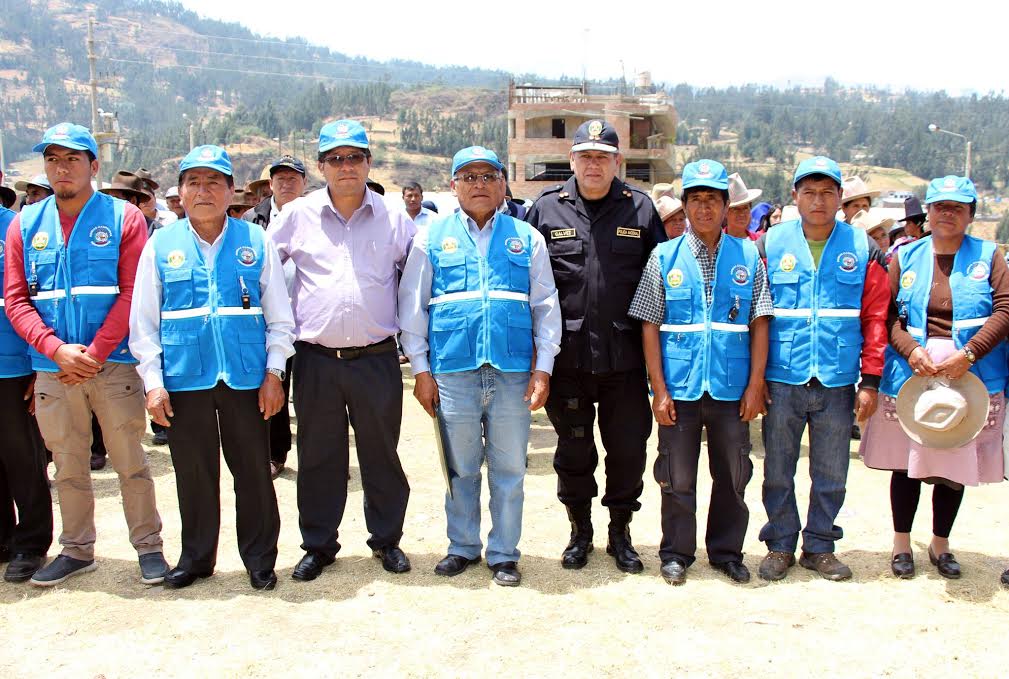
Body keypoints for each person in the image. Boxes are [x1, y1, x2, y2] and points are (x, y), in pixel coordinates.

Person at [3, 123, 166, 587]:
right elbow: (16, 298)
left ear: (93, 166)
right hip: (53, 369)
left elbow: (133, 292)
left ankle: (148, 548)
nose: (61, 168)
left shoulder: (122, 218)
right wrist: (55, 349)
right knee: (68, 463)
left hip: (111, 363)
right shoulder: (26, 223)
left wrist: (91, 353)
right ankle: (76, 549)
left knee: (130, 461)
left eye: (72, 158)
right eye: (53, 159)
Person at [129, 145, 294, 590]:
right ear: (179, 193)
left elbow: (280, 318)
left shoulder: (255, 241)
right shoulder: (160, 244)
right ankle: (197, 559)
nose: (203, 191)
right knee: (194, 474)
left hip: (245, 378)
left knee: (254, 474)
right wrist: (153, 383)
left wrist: (274, 373)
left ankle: (260, 559)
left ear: (230, 191)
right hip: (185, 379)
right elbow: (143, 324)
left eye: (213, 182)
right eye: (194, 182)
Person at [399, 146, 561, 586]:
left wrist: (543, 368)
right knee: (461, 467)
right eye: (468, 176)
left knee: (509, 470)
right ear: (453, 185)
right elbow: (412, 309)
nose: (479, 184)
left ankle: (505, 553)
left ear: (503, 183)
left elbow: (546, 306)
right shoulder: (430, 238)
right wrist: (421, 370)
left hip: (511, 372)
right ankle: (463, 546)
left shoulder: (527, 238)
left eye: (488, 175)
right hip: (454, 370)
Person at [268, 119, 415, 581]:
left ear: (369, 163)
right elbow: (265, 274)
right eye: (336, 159)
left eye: (355, 157)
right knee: (317, 455)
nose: (346, 166)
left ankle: (387, 540)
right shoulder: (296, 215)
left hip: (376, 358)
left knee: (381, 454)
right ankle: (318, 544)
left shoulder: (395, 218)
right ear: (320, 167)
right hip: (315, 360)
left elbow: (415, 285)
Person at [526, 119, 665, 573]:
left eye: (602, 157)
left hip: (625, 362)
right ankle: (579, 531)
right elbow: (527, 285)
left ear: (617, 162)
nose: (593, 164)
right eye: (585, 156)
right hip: (568, 360)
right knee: (573, 450)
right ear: (572, 161)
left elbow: (660, 286)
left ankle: (620, 533)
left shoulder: (640, 210)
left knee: (628, 451)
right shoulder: (546, 211)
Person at [630, 160, 772, 586]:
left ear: (727, 206)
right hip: (681, 385)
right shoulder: (664, 256)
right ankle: (676, 552)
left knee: (733, 474)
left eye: (713, 200)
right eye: (696, 200)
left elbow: (759, 321)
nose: (705, 208)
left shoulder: (747, 254)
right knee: (677, 475)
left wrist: (755, 385)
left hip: (731, 388)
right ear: (685, 206)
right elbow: (649, 324)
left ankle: (727, 552)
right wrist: (659, 389)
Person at [860, 175, 1008, 581]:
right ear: (928, 213)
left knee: (953, 459)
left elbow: (1005, 310)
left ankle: (941, 543)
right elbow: (885, 314)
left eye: (957, 207)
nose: (947, 213)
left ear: (970, 215)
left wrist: (971, 353)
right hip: (912, 374)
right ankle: (902, 543)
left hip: (970, 375)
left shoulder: (990, 256)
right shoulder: (904, 257)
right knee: (905, 465)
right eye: (940, 206)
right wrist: (910, 350)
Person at [756, 156, 889, 582]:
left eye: (827, 192)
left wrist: (870, 380)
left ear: (840, 198)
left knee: (831, 470)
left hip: (837, 378)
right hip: (783, 376)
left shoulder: (863, 247)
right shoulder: (770, 244)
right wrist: (754, 380)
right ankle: (780, 544)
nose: (818, 200)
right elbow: (754, 319)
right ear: (795, 197)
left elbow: (876, 318)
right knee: (778, 467)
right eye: (809, 192)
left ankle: (820, 546)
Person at [0, 195, 53, 583]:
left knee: (22, 459)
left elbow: (32, 301)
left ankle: (30, 543)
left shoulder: (16, 227)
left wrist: (37, 362)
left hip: (12, 365)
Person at [243, 155, 307, 478]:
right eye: (280, 178)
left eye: (293, 178)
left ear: (304, 183)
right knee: (272, 385)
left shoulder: (318, 216)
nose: (286, 183)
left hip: (309, 324)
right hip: (268, 323)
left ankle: (320, 457)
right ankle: (275, 453)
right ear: (270, 184)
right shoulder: (253, 220)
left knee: (311, 396)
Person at [725, 172, 762, 240]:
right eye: (736, 209)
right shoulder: (715, 242)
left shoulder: (758, 242)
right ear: (726, 212)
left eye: (745, 208)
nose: (742, 213)